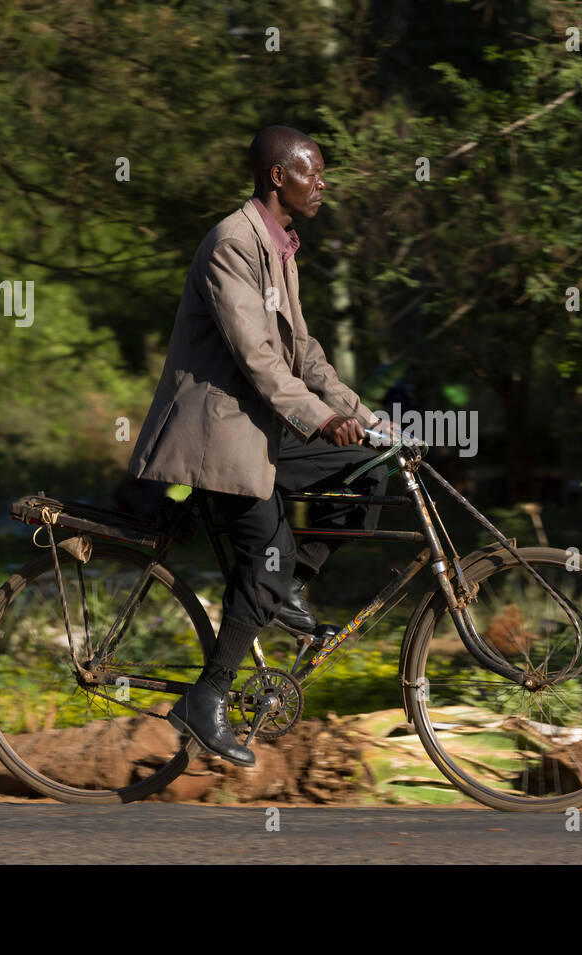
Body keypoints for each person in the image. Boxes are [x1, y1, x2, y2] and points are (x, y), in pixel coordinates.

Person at [127, 125, 394, 767]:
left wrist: (370, 421)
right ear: (278, 176)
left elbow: (306, 357)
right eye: (314, 171)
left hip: (262, 427)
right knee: (265, 555)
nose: (323, 182)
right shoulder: (231, 243)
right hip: (217, 433)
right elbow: (258, 357)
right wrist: (320, 420)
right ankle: (207, 698)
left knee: (372, 471)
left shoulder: (280, 248)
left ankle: (289, 589)